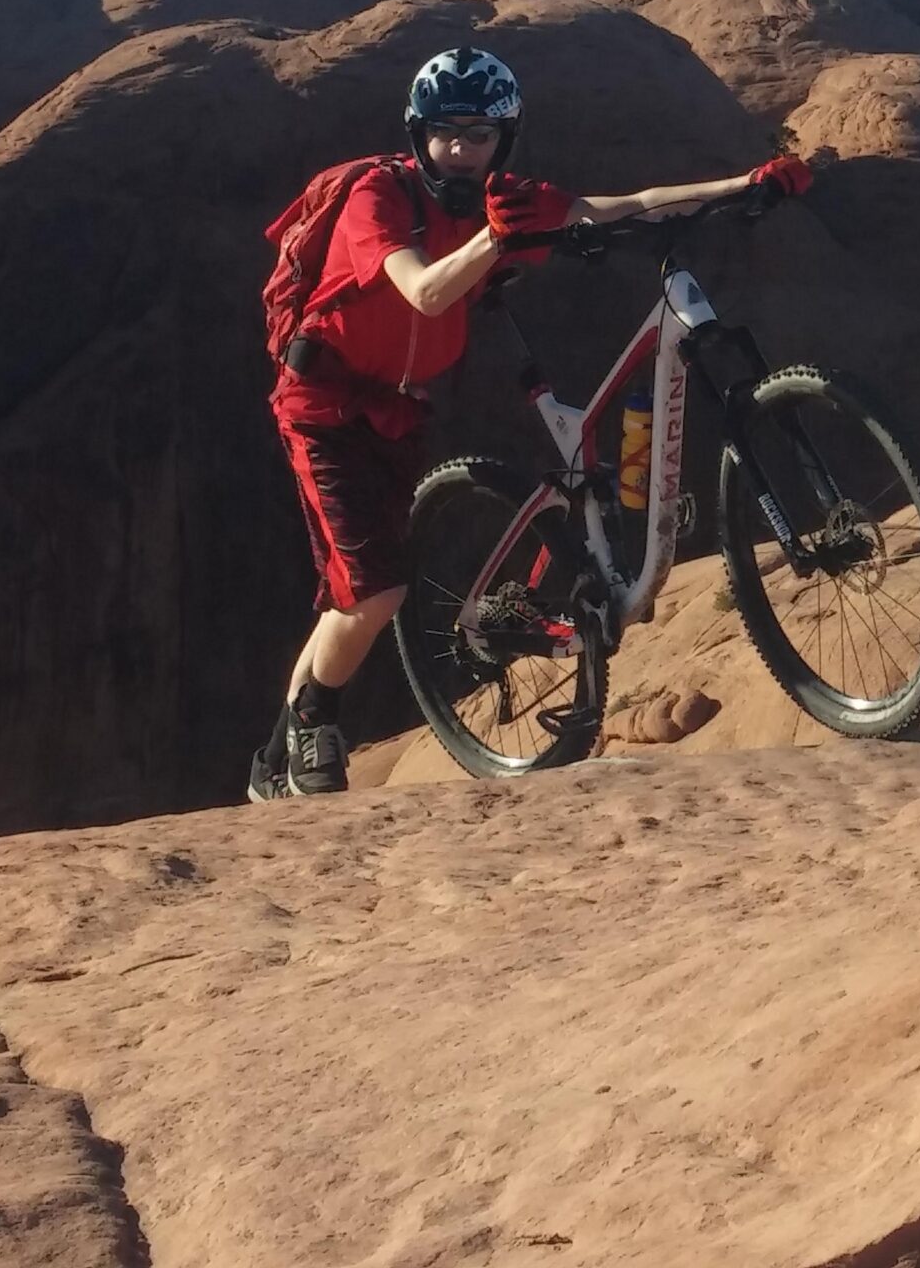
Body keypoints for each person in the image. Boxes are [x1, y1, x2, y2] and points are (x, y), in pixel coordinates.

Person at [249, 45, 811, 800]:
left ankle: (273, 758)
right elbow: (423, 292)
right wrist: (495, 238)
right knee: (374, 591)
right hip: (324, 404)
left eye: (480, 134)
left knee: (355, 588)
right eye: (447, 131)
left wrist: (744, 183)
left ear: (502, 140)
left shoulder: (499, 195)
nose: (461, 148)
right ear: (419, 134)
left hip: (400, 403)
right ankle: (316, 723)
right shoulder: (377, 198)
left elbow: (619, 205)